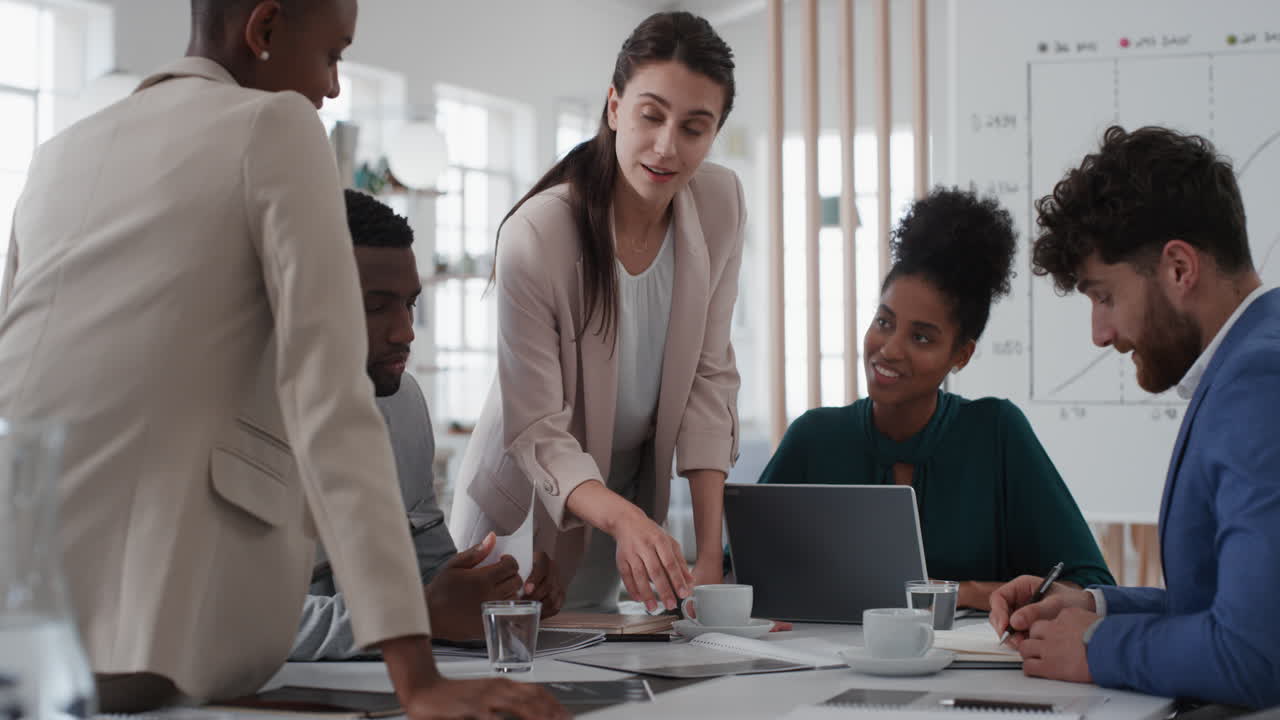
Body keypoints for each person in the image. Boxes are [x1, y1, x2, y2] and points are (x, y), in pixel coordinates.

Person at [0, 1, 562, 717]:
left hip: (30, 630)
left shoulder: (58, 155)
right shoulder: (275, 124)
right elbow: (331, 401)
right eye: (332, 56)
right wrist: (418, 680)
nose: (331, 89)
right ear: (263, 31)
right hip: (168, 646)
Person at [450, 11, 743, 614]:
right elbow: (536, 427)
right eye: (650, 115)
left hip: (618, 507)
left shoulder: (719, 204)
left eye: (694, 127)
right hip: (520, 515)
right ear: (614, 107)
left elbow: (708, 379)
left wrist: (710, 551)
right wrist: (626, 520)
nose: (667, 147)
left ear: (714, 134)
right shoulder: (538, 234)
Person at [989, 125, 1280, 709]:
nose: (1101, 335)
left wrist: (1097, 648)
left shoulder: (1258, 383)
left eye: (1104, 297)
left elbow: (1252, 653)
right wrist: (1093, 607)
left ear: (1178, 269)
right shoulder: (1249, 358)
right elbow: (1231, 605)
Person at [758, 188, 1114, 609]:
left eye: (921, 337)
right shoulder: (813, 438)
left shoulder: (995, 433)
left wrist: (961, 594)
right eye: (884, 322)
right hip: (824, 663)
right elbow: (742, 575)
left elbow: (1088, 585)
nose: (889, 349)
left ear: (961, 355)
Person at [290, 191, 564, 661]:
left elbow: (428, 570)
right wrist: (414, 616)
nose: (405, 332)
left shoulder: (402, 401)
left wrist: (491, 593)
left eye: (410, 304)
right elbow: (232, 624)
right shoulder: (226, 422)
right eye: (376, 307)